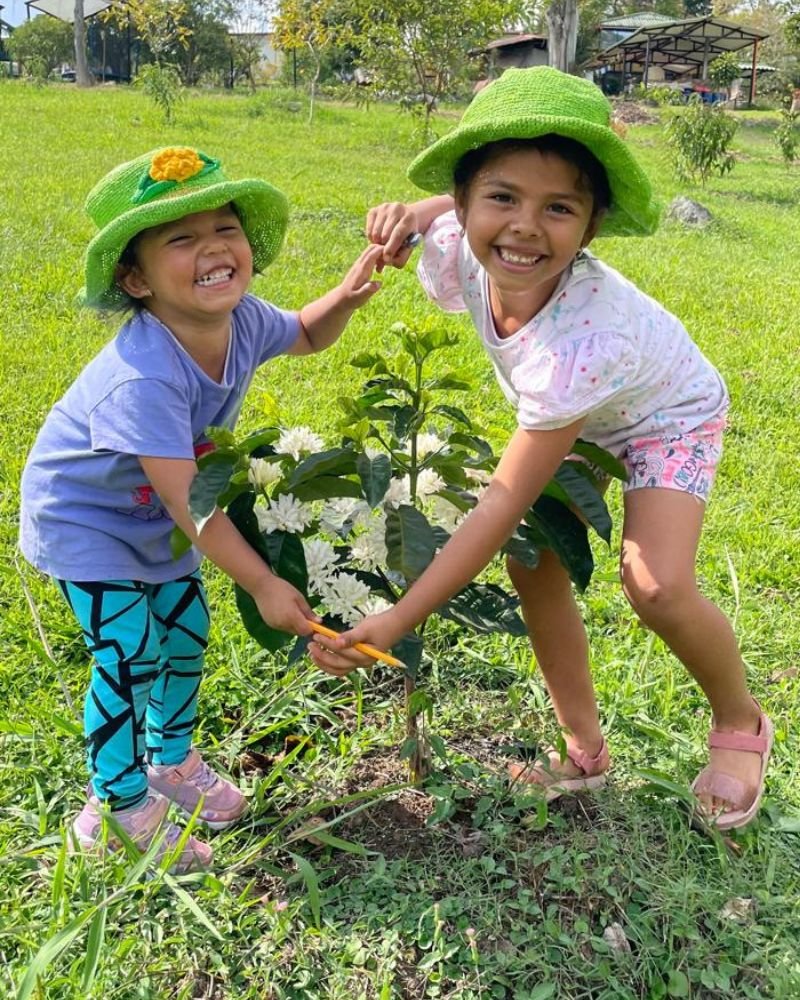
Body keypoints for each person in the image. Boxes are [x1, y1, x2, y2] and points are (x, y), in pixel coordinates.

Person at [308, 68, 773, 831]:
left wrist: (396, 619)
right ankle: (582, 752)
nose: (525, 227)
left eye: (558, 208)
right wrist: (411, 213)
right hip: (580, 413)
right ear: (465, 205)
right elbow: (441, 214)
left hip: (664, 415)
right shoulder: (460, 240)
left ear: (591, 230)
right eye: (503, 198)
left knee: (653, 585)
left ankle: (740, 723)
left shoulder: (579, 341)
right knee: (536, 560)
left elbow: (500, 501)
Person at [20, 146, 385, 870]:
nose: (215, 247)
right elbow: (193, 504)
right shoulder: (144, 376)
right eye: (181, 239)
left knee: (183, 634)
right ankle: (116, 807)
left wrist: (342, 299)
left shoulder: (242, 320)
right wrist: (262, 581)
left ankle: (172, 764)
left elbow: (306, 332)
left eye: (226, 227)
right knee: (127, 656)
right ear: (135, 279)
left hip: (152, 516)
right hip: (87, 521)